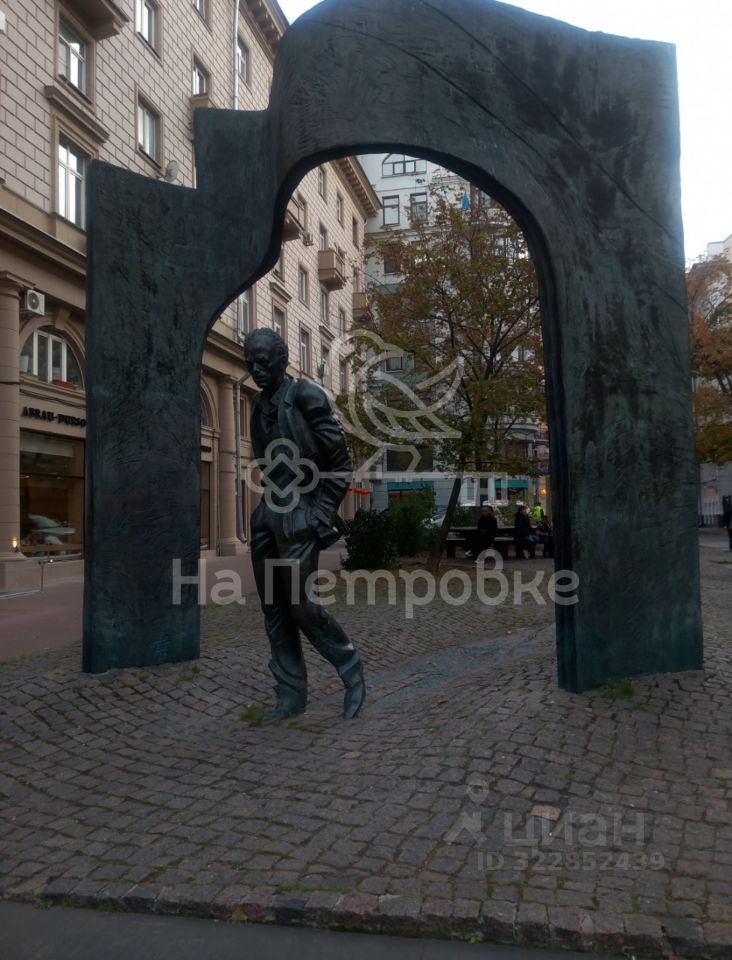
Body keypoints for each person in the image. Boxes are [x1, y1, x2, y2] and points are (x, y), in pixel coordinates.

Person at [244, 328, 365, 723]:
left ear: (282, 358)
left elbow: (339, 463)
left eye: (263, 361)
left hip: (301, 512)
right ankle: (291, 694)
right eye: (250, 362)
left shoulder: (306, 395)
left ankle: (350, 669)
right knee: (274, 609)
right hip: (268, 513)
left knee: (302, 605)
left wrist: (321, 513)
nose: (256, 369)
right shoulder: (257, 406)